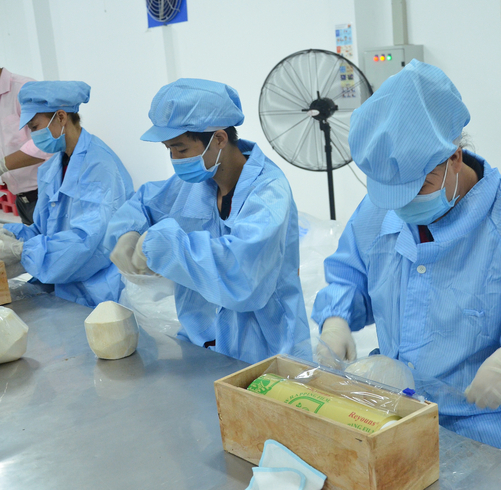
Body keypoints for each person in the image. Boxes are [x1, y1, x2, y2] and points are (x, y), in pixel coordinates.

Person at [311, 60, 501, 490]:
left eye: (418, 187)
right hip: (412, 419)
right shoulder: (381, 208)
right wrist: (337, 316)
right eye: (389, 192)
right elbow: (353, 270)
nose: (402, 206)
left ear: (454, 157)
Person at [105, 78, 310, 364]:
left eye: (181, 149)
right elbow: (143, 203)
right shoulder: (196, 181)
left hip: (266, 350)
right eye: (169, 150)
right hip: (203, 342)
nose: (175, 160)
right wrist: (127, 232)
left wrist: (162, 246)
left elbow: (240, 274)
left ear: (219, 139)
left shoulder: (268, 192)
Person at [0, 80, 134, 307]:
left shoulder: (99, 166)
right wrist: (11, 236)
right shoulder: (53, 168)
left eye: (34, 127)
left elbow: (88, 242)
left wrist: (23, 251)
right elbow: (43, 229)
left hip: (98, 290)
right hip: (65, 283)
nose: (33, 136)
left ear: (61, 117)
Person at [0, 68, 52, 224]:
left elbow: (47, 141)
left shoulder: (25, 88)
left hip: (48, 195)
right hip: (21, 200)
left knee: (57, 246)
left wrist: (3, 165)